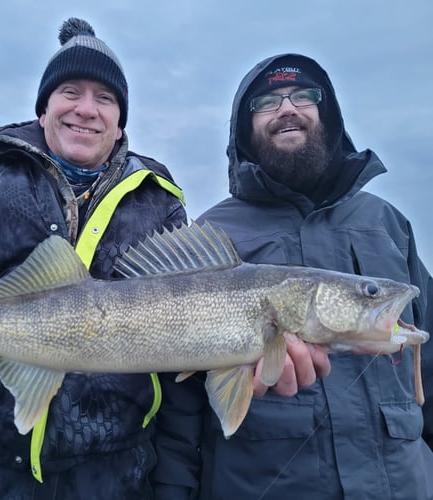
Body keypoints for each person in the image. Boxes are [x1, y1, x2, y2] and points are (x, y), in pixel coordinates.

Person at [152, 53, 433, 499]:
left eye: (304, 95)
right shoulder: (211, 237)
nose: (288, 107)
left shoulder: (387, 223)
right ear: (243, 130)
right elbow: (177, 409)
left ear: (327, 114)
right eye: (266, 101)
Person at [0, 17, 189, 499]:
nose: (87, 109)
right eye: (70, 91)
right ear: (44, 108)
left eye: (105, 98)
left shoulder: (161, 202)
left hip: (113, 469)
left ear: (119, 125)